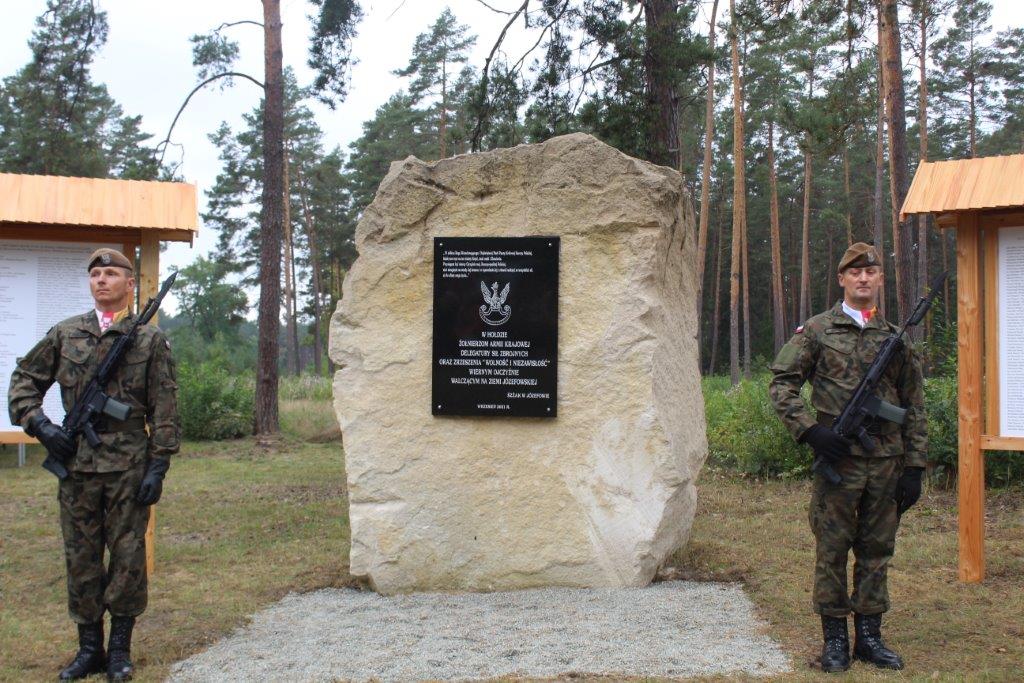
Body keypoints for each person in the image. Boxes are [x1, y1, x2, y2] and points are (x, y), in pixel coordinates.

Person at [8, 248, 180, 681]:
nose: (101, 280)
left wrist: (158, 465)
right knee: (81, 558)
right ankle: (89, 649)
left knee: (126, 558)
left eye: (111, 273)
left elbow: (165, 407)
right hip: (78, 467)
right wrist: (41, 426)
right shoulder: (66, 334)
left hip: (127, 468)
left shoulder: (148, 339)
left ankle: (119, 649)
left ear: (129, 284)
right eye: (95, 274)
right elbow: (24, 381)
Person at [768, 242, 927, 673]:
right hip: (838, 466)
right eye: (854, 272)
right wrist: (812, 431)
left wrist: (914, 467)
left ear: (879, 280)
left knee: (877, 551)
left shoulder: (895, 338)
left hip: (886, 463)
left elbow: (914, 404)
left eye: (870, 272)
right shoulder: (818, 331)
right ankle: (835, 640)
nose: (862, 278)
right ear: (841, 279)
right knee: (832, 551)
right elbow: (782, 385)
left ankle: (870, 639)